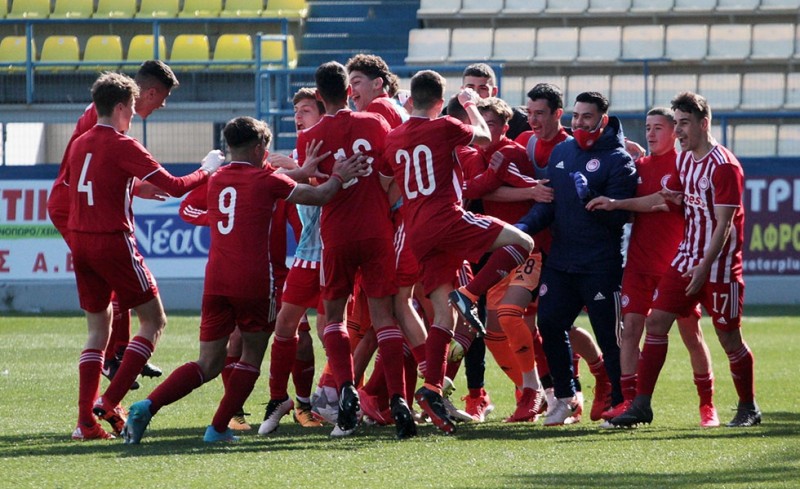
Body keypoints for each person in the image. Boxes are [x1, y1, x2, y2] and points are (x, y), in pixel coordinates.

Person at [122, 116, 369, 444]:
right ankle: (218, 427)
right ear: (257, 149)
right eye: (264, 150)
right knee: (252, 353)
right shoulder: (267, 181)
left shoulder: (217, 177)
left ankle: (146, 406)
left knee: (208, 362)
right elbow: (320, 195)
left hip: (215, 282)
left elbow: (271, 179)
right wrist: (340, 175)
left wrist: (300, 168)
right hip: (254, 281)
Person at [64, 72, 222, 440]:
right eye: (132, 108)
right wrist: (207, 169)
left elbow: (81, 183)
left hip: (80, 241)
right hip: (112, 240)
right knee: (154, 321)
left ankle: (85, 421)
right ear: (119, 107)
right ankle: (110, 400)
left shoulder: (79, 143)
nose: (134, 115)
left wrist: (130, 185)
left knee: (96, 330)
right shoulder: (123, 144)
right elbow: (175, 186)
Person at [383, 70, 534, 434]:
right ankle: (470, 292)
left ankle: (431, 389)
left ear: (411, 99)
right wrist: (470, 105)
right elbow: (483, 138)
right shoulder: (445, 125)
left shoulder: (393, 137)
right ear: (440, 100)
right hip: (448, 218)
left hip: (417, 230)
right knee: (522, 244)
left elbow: (389, 177)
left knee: (442, 315)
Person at [605, 92, 759, 428]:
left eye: (684, 123)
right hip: (685, 259)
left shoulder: (724, 166)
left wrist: (704, 267)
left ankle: (748, 407)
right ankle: (642, 405)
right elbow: (679, 203)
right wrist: (669, 200)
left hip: (718, 268)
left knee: (728, 338)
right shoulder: (685, 159)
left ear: (704, 123)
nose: (678, 131)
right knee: (655, 324)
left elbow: (724, 224)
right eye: (676, 124)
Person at [295, 61, 414, 440]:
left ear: (318, 95)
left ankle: (345, 390)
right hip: (377, 231)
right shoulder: (375, 124)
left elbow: (313, 191)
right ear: (349, 90)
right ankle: (399, 399)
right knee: (385, 317)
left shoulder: (309, 137)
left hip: (338, 235)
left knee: (333, 315)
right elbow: (394, 169)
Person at [48, 60, 179, 391]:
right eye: (160, 98)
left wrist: (134, 186)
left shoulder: (103, 114)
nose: (160, 106)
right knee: (116, 275)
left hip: (75, 203)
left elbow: (97, 173)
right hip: (72, 205)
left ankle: (119, 353)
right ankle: (115, 357)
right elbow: (87, 174)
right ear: (146, 94)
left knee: (116, 284)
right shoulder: (108, 123)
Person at [587, 107, 719, 427]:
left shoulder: (683, 164)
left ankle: (707, 404)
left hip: (674, 265)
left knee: (691, 334)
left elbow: (661, 203)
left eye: (658, 127)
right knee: (630, 331)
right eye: (648, 127)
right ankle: (631, 402)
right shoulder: (639, 166)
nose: (651, 133)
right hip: (638, 264)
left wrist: (620, 204)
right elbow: (633, 210)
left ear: (676, 131)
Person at [516, 91, 637, 427]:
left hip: (600, 264)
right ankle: (567, 398)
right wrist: (520, 228)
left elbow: (620, 218)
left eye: (587, 116)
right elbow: (548, 204)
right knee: (550, 324)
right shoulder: (563, 150)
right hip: (561, 261)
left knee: (609, 337)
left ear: (603, 119)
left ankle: (623, 402)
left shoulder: (618, 159)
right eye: (577, 116)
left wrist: (595, 199)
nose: (580, 122)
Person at [259, 88, 334, 434]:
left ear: (323, 113)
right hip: (306, 254)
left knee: (332, 331)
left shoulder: (334, 148)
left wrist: (297, 170)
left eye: (306, 110)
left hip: (336, 254)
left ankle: (339, 398)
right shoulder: (292, 153)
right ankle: (280, 400)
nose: (298, 117)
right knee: (286, 326)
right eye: (296, 111)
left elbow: (338, 190)